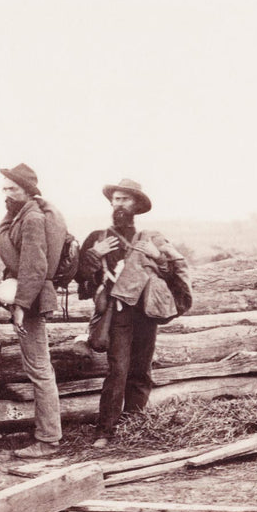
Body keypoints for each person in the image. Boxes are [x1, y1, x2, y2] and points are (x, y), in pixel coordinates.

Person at [76, 179, 192, 449]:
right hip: (116, 314)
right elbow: (82, 281)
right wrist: (93, 256)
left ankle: (135, 425)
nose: (119, 204)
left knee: (141, 370)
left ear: (137, 205)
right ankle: (105, 430)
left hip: (146, 312)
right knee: (118, 370)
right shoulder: (98, 238)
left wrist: (159, 257)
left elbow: (173, 276)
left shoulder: (152, 239)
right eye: (116, 199)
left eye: (125, 199)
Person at [0, 163, 66, 458]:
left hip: (31, 297)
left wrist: (20, 307)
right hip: (18, 287)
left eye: (12, 188)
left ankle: (48, 440)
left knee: (39, 369)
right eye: (4, 188)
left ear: (27, 191)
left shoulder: (32, 218)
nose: (6, 193)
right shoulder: (17, 214)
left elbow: (36, 266)